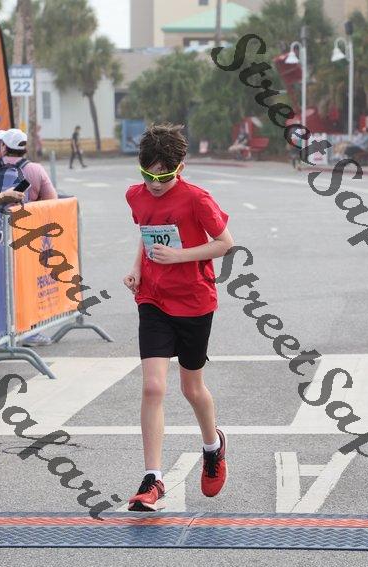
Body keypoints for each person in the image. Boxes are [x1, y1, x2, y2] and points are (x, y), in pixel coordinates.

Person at [123, 123, 234, 511]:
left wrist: (180, 256)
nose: (155, 184)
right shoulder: (135, 195)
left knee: (191, 389)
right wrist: (136, 268)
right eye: (148, 175)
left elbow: (225, 243)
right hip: (152, 299)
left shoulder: (196, 199)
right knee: (153, 388)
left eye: (164, 176)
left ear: (180, 168)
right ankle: (152, 479)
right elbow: (145, 231)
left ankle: (213, 447)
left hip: (194, 302)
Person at [0, 128, 58, 347]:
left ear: (4, 147)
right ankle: (29, 332)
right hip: (26, 236)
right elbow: (51, 201)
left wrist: (1, 198)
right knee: (24, 285)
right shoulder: (35, 170)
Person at [0, 128, 58, 203]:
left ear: (4, 147)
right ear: (24, 149)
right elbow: (52, 201)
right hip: (24, 211)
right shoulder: (37, 170)